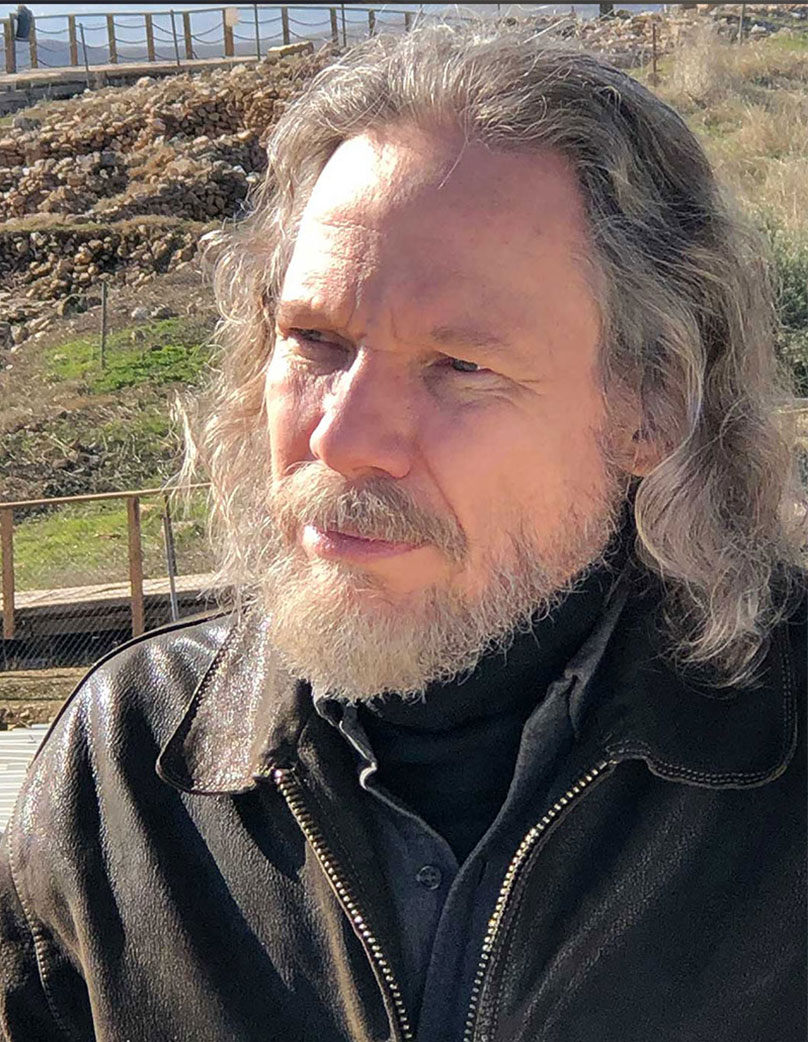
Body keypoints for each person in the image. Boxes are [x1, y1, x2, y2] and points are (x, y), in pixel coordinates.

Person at [1, 22, 806, 1042]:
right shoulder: (128, 767)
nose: (344, 437)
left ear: (648, 403)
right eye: (315, 341)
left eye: (459, 365)